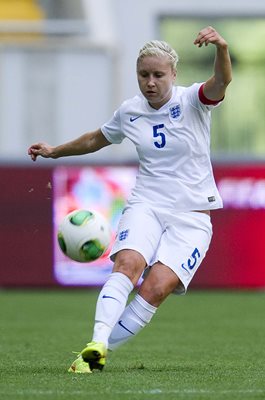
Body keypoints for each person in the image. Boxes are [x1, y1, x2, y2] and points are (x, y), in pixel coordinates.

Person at [28, 26, 232, 373]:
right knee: (128, 266)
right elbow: (96, 139)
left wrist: (222, 47)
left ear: (173, 74)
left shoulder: (193, 101)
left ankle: (95, 352)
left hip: (193, 216)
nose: (150, 82)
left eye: (157, 75)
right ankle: (97, 344)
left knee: (155, 288)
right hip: (147, 205)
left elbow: (222, 81)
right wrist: (55, 151)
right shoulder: (130, 111)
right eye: (143, 75)